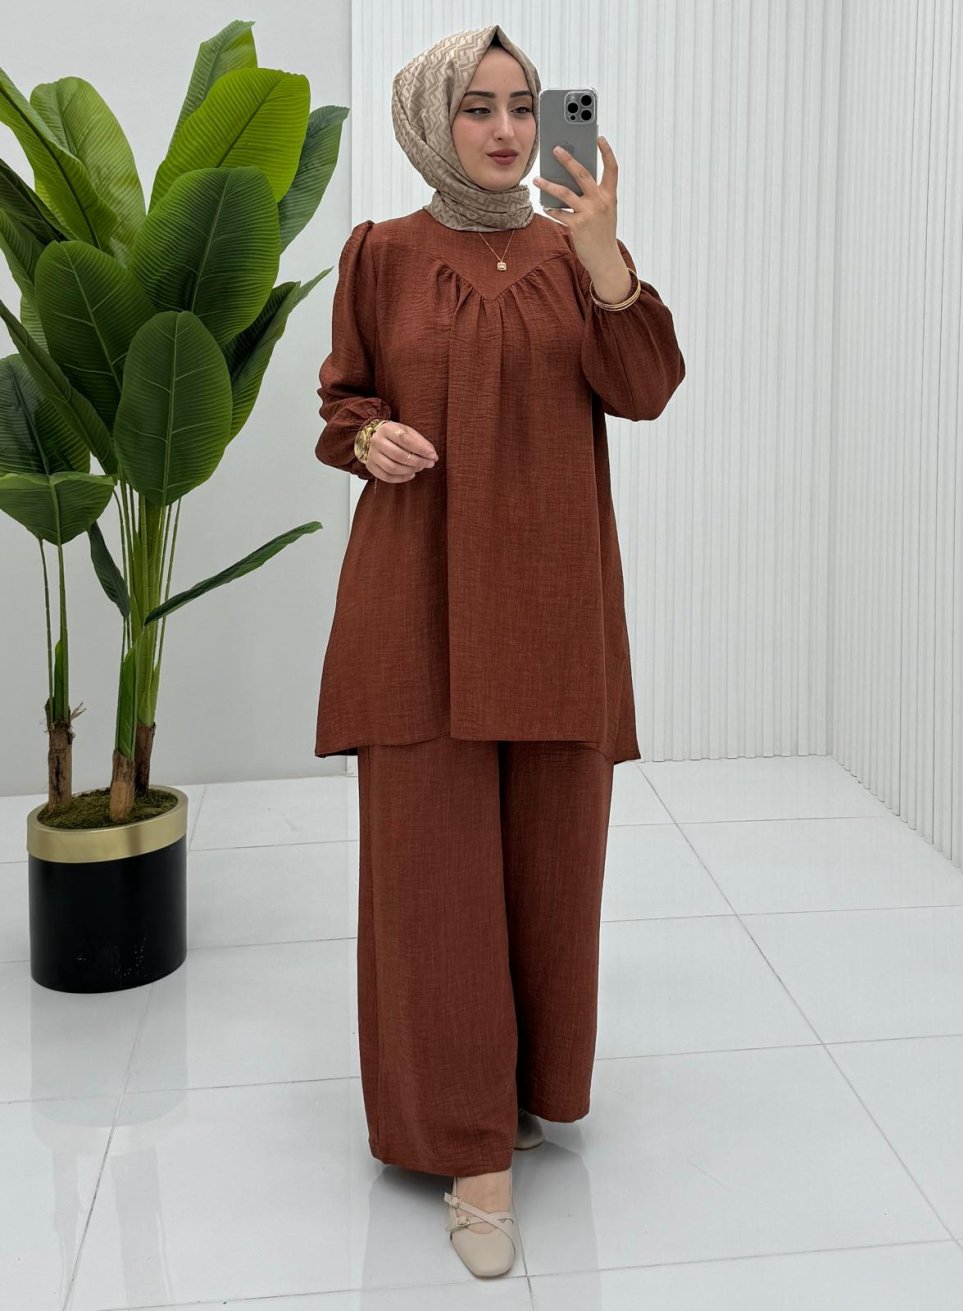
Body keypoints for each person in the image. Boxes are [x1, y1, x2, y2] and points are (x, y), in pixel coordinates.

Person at [313, 23, 685, 1278]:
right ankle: (468, 1144)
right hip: (414, 599)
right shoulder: (379, 253)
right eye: (476, 107)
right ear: (432, 120)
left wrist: (605, 257)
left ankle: (526, 1084)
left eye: (523, 105)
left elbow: (644, 390)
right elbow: (344, 400)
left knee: (551, 859)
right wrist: (368, 440)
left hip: (551, 598)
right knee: (432, 872)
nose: (508, 130)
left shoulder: (579, 254)